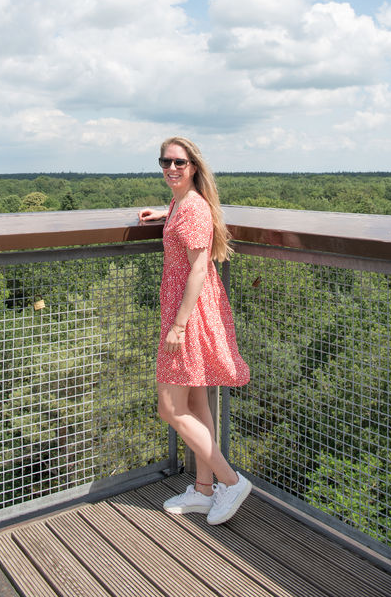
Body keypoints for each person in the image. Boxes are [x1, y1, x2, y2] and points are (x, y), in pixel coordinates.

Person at [139, 137, 251, 525]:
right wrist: (164, 216)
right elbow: (185, 232)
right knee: (198, 403)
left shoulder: (194, 210)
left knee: (170, 408)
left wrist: (178, 326)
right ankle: (205, 491)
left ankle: (230, 482)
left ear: (194, 166)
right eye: (165, 162)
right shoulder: (181, 205)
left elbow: (199, 270)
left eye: (179, 163)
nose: (171, 168)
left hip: (188, 314)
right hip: (186, 309)